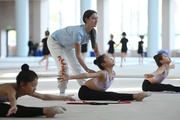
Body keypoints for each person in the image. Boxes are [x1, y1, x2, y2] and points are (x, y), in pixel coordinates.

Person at [47, 10, 100, 96]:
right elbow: (78, 55)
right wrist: (87, 69)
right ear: (86, 20)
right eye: (93, 18)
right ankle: (62, 93)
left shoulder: (93, 33)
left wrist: (103, 67)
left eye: (97, 18)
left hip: (67, 46)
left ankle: (87, 89)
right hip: (55, 41)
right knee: (64, 66)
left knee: (77, 67)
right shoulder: (78, 32)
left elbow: (97, 51)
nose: (96, 20)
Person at [58, 54, 151, 101]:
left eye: (111, 57)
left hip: (96, 92)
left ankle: (135, 96)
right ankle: (135, 96)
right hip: (85, 92)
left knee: (108, 94)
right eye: (108, 58)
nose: (111, 58)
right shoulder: (102, 73)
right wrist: (69, 77)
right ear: (103, 64)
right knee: (109, 95)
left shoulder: (113, 73)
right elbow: (87, 75)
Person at [0, 64, 75, 118]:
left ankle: (45, 111)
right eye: (33, 85)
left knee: (14, 109)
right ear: (22, 84)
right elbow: (12, 99)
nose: (35, 88)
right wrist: (13, 106)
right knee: (14, 109)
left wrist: (64, 98)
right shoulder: (11, 88)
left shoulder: (23, 89)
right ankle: (45, 111)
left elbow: (44, 96)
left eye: (35, 85)